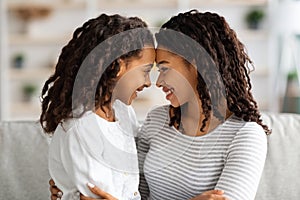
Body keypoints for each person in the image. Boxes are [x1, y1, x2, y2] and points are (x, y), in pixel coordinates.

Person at [50, 10, 270, 200]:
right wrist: (67, 188)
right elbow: (132, 191)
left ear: (197, 66)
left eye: (164, 69)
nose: (157, 81)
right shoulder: (157, 120)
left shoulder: (245, 135)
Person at [40, 13, 155, 200]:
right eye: (145, 71)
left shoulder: (123, 113)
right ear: (117, 67)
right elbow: (99, 196)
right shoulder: (81, 127)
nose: (149, 82)